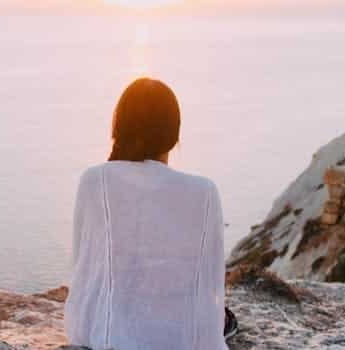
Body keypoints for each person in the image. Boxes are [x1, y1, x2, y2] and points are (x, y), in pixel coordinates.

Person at [64, 78, 231, 350]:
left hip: (110, 341)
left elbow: (85, 273)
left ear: (119, 127)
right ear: (174, 134)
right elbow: (210, 283)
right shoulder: (205, 192)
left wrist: (82, 334)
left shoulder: (95, 181)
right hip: (181, 340)